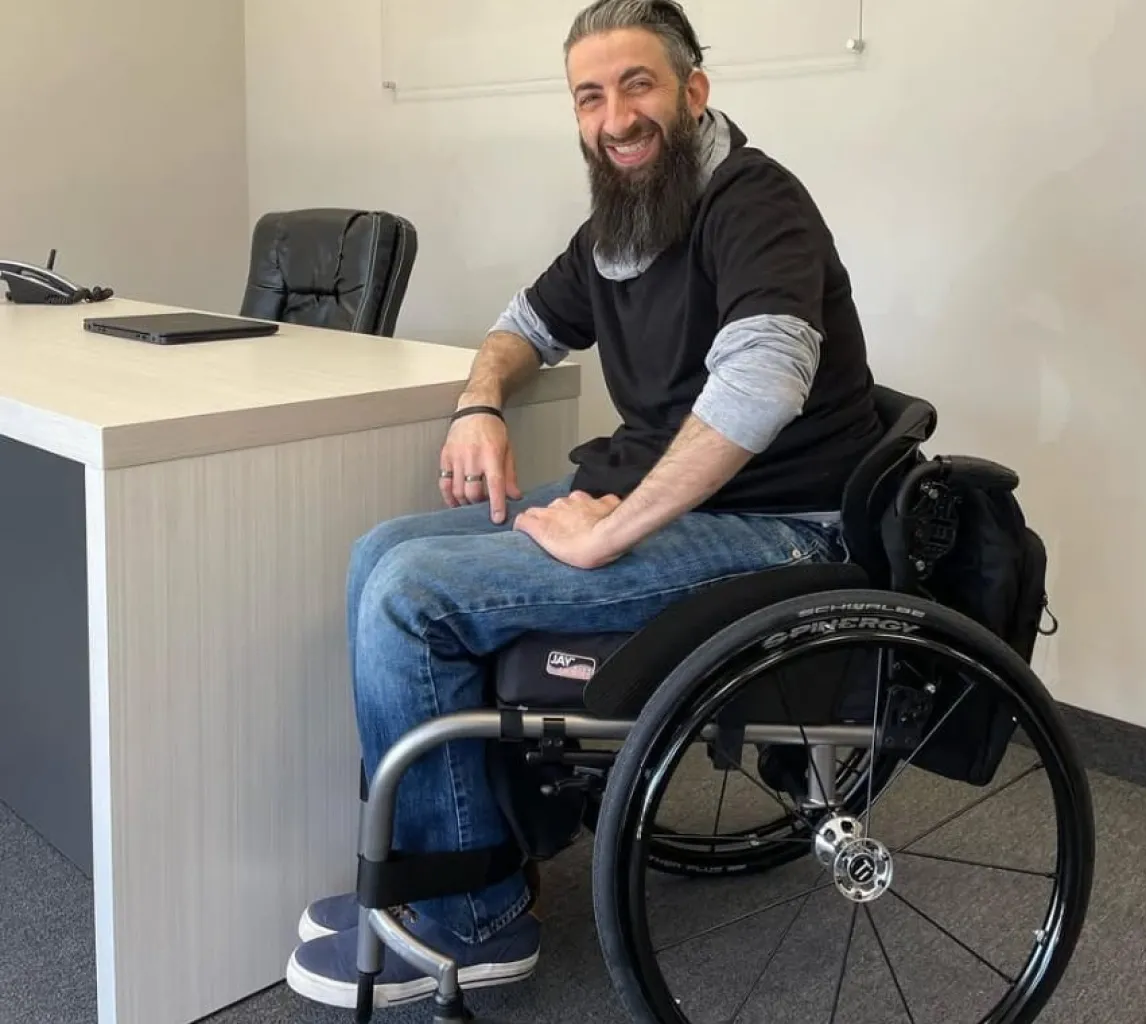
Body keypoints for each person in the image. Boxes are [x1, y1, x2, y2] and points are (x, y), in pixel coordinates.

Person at [285, 0, 883, 1009]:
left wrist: (608, 531)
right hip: (663, 495)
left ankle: (471, 917)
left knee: (411, 596)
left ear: (693, 90)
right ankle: (455, 863)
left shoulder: (754, 201)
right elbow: (521, 326)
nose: (616, 117)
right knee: (378, 551)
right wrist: (480, 402)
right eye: (590, 97)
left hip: (774, 526)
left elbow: (762, 384)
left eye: (638, 85)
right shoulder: (623, 219)